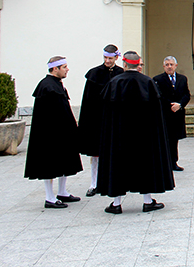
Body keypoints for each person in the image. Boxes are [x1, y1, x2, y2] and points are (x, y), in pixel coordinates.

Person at [97, 51, 174, 214]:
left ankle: (116, 204)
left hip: (118, 135)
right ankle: (147, 201)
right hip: (143, 135)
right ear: (138, 64)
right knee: (145, 164)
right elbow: (156, 113)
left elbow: (106, 113)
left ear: (124, 64)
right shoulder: (148, 82)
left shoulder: (114, 83)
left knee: (117, 165)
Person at [24, 56, 83, 209]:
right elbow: (48, 116)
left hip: (62, 132)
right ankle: (50, 197)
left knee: (64, 161)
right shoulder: (47, 86)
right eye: (64, 67)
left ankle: (62, 192)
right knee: (49, 165)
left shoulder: (56, 84)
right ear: (55, 69)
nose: (67, 69)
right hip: (50, 135)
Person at [77, 45, 123, 197]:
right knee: (95, 153)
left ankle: (114, 181)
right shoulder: (94, 74)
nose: (107, 61)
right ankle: (94, 183)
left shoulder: (120, 73)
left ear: (116, 58)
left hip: (114, 118)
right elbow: (88, 100)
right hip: (97, 119)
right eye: (105, 58)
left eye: (110, 58)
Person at [152, 56, 192, 170]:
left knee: (174, 140)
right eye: (167, 64)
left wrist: (179, 105)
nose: (169, 67)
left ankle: (174, 162)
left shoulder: (182, 79)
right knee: (165, 139)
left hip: (177, 115)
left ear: (176, 66)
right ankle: (164, 163)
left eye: (171, 64)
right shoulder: (157, 79)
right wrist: (171, 105)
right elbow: (159, 96)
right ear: (164, 66)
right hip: (165, 114)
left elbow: (186, 94)